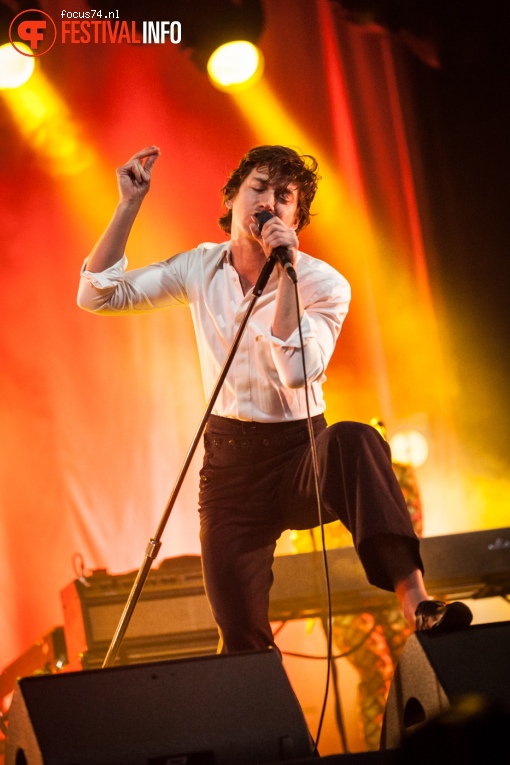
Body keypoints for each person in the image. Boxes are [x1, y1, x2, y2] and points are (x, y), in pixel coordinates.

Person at [77, 144, 472, 654]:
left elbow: (296, 372)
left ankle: (416, 601)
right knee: (240, 637)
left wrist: (284, 270)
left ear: (295, 218)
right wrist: (128, 204)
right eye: (258, 188)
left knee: (356, 440)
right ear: (233, 198)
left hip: (301, 452)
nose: (268, 202)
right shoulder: (200, 267)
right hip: (231, 468)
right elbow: (98, 295)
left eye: (284, 196)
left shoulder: (323, 283)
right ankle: (266, 725)